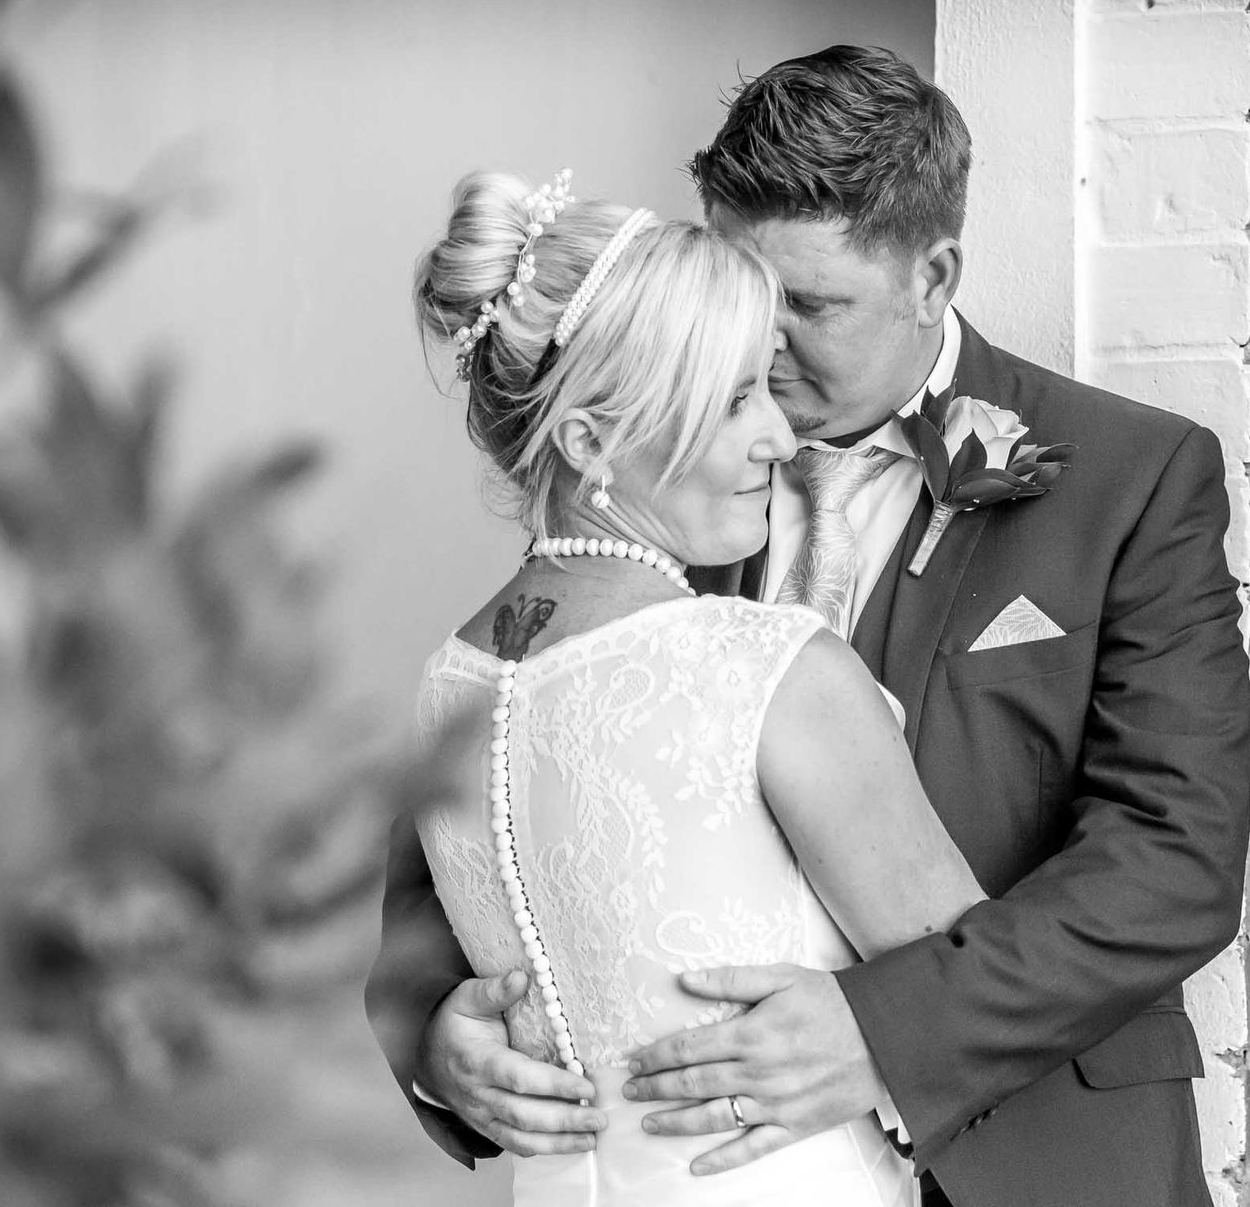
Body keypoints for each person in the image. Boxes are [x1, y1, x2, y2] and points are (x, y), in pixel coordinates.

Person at [377, 47, 1250, 1207]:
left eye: (810, 303)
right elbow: (498, 818)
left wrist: (883, 1029)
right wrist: (442, 1037)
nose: (764, 345)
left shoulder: (1134, 478)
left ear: (933, 274)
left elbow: (1177, 860)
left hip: (1041, 1160)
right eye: (742, 293)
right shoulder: (665, 476)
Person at [369, 168, 987, 1205]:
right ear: (591, 443)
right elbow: (976, 989)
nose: (780, 439)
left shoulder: (446, 684)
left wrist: (437, 1046)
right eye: (732, 399)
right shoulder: (767, 671)